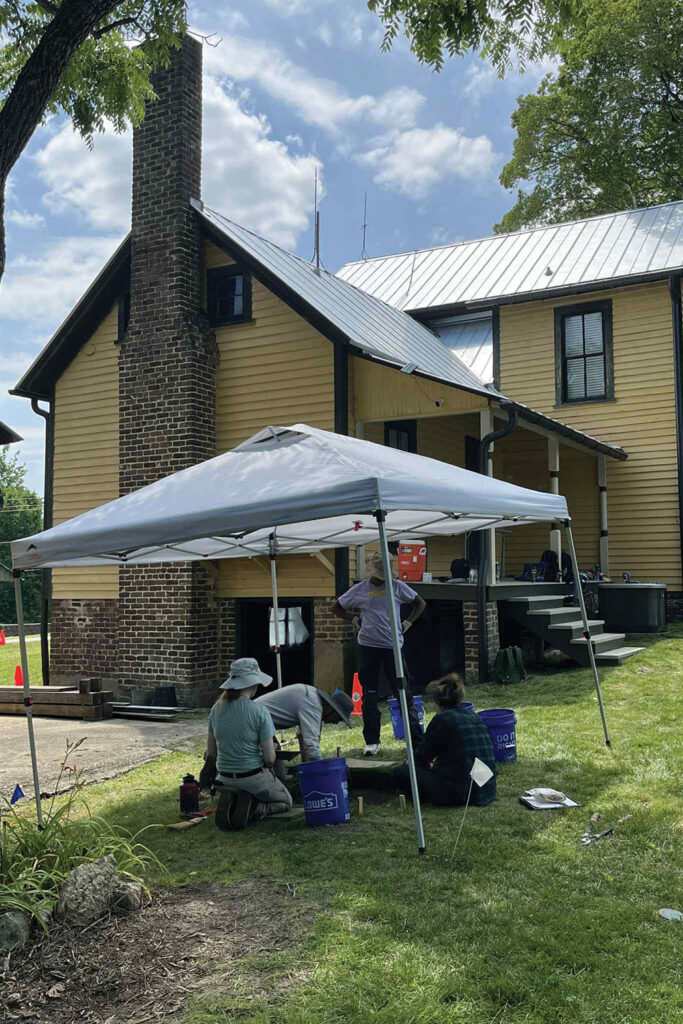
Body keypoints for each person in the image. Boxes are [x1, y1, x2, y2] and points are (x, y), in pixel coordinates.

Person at [333, 551, 426, 756]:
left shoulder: (397, 587)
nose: (379, 580)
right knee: (370, 694)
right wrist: (355, 620)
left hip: (392, 646)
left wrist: (408, 623)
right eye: (377, 576)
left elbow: (420, 603)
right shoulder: (360, 589)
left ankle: (416, 741)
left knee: (403, 692)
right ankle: (372, 742)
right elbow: (336, 607)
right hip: (368, 646)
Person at [207, 658, 293, 830]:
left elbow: (211, 753)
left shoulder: (216, 709)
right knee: (286, 801)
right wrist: (272, 751)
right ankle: (255, 808)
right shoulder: (259, 711)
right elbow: (269, 759)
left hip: (223, 777)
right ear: (254, 683)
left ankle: (237, 800)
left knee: (242, 786)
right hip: (251, 776)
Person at [394, 673, 496, 806]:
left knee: (401, 772)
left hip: (460, 793)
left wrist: (408, 763)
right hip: (487, 788)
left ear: (437, 703)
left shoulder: (442, 719)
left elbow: (421, 758)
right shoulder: (474, 716)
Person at [256, 684, 354, 771]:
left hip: (259, 721)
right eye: (339, 718)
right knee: (269, 758)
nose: (336, 722)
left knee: (278, 767)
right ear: (332, 709)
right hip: (253, 721)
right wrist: (323, 772)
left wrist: (306, 768)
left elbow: (305, 742)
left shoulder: (313, 698)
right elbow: (311, 747)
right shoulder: (313, 705)